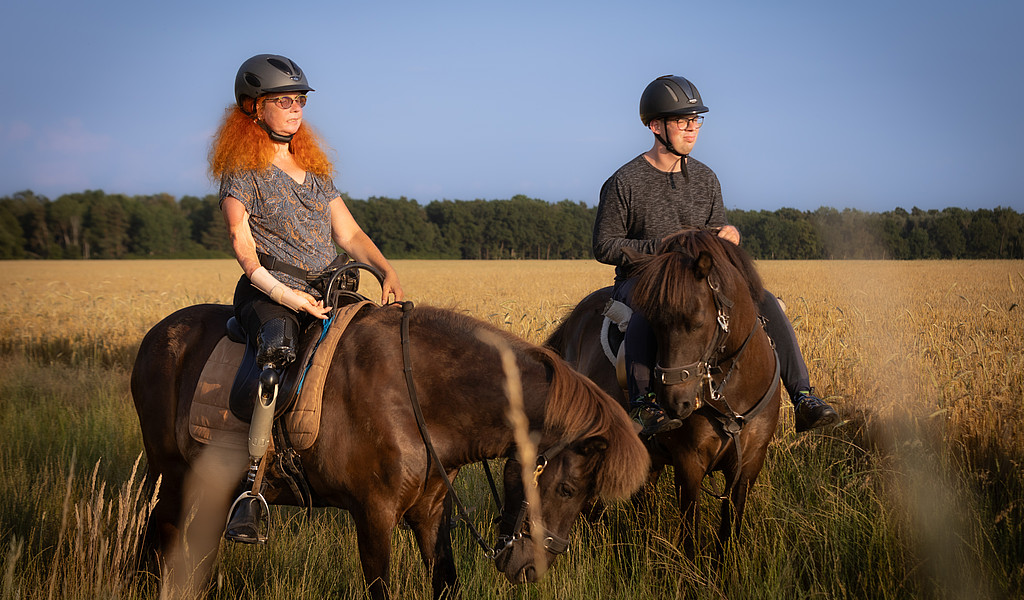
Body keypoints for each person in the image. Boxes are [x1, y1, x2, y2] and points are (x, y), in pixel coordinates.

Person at [210, 53, 404, 543]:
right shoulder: (241, 172)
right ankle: (251, 489)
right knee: (278, 348)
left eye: (299, 100)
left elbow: (351, 234)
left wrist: (385, 268)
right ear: (254, 109)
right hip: (269, 290)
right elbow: (242, 245)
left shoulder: (315, 171)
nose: (295, 109)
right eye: (283, 101)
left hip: (330, 288)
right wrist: (288, 298)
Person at [593, 74, 838, 437]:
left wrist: (729, 235)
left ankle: (803, 396)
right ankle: (643, 406)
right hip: (642, 281)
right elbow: (604, 245)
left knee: (764, 301)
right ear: (655, 126)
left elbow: (715, 230)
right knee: (656, 306)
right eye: (682, 121)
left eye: (696, 121)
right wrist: (664, 249)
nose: (692, 129)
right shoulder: (624, 181)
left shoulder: (707, 179)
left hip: (700, 278)